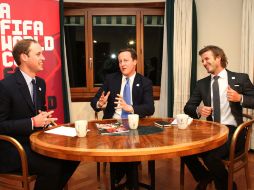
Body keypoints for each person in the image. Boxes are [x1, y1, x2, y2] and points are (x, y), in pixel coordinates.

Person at [0, 39, 80, 190]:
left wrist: (45, 119)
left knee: (73, 158)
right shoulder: (5, 86)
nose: (43, 58)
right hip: (13, 148)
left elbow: (39, 112)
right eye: (38, 54)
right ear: (24, 57)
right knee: (53, 166)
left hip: (36, 144)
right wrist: (32, 122)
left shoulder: (40, 83)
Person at [182, 45, 254, 190]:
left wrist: (240, 98)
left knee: (211, 157)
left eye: (207, 59)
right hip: (211, 131)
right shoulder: (201, 84)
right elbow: (188, 107)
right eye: (202, 60)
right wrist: (199, 109)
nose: (203, 63)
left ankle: (227, 186)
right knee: (184, 151)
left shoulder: (240, 78)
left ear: (218, 58)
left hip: (233, 132)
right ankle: (205, 176)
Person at [91, 48, 155, 189]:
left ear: (135, 62)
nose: (122, 64)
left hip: (135, 125)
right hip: (113, 124)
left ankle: (120, 179)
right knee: (122, 147)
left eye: (125, 60)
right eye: (120, 61)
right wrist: (100, 103)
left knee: (131, 145)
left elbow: (150, 108)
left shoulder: (145, 82)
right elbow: (95, 100)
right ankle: (129, 182)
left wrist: (130, 108)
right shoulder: (111, 79)